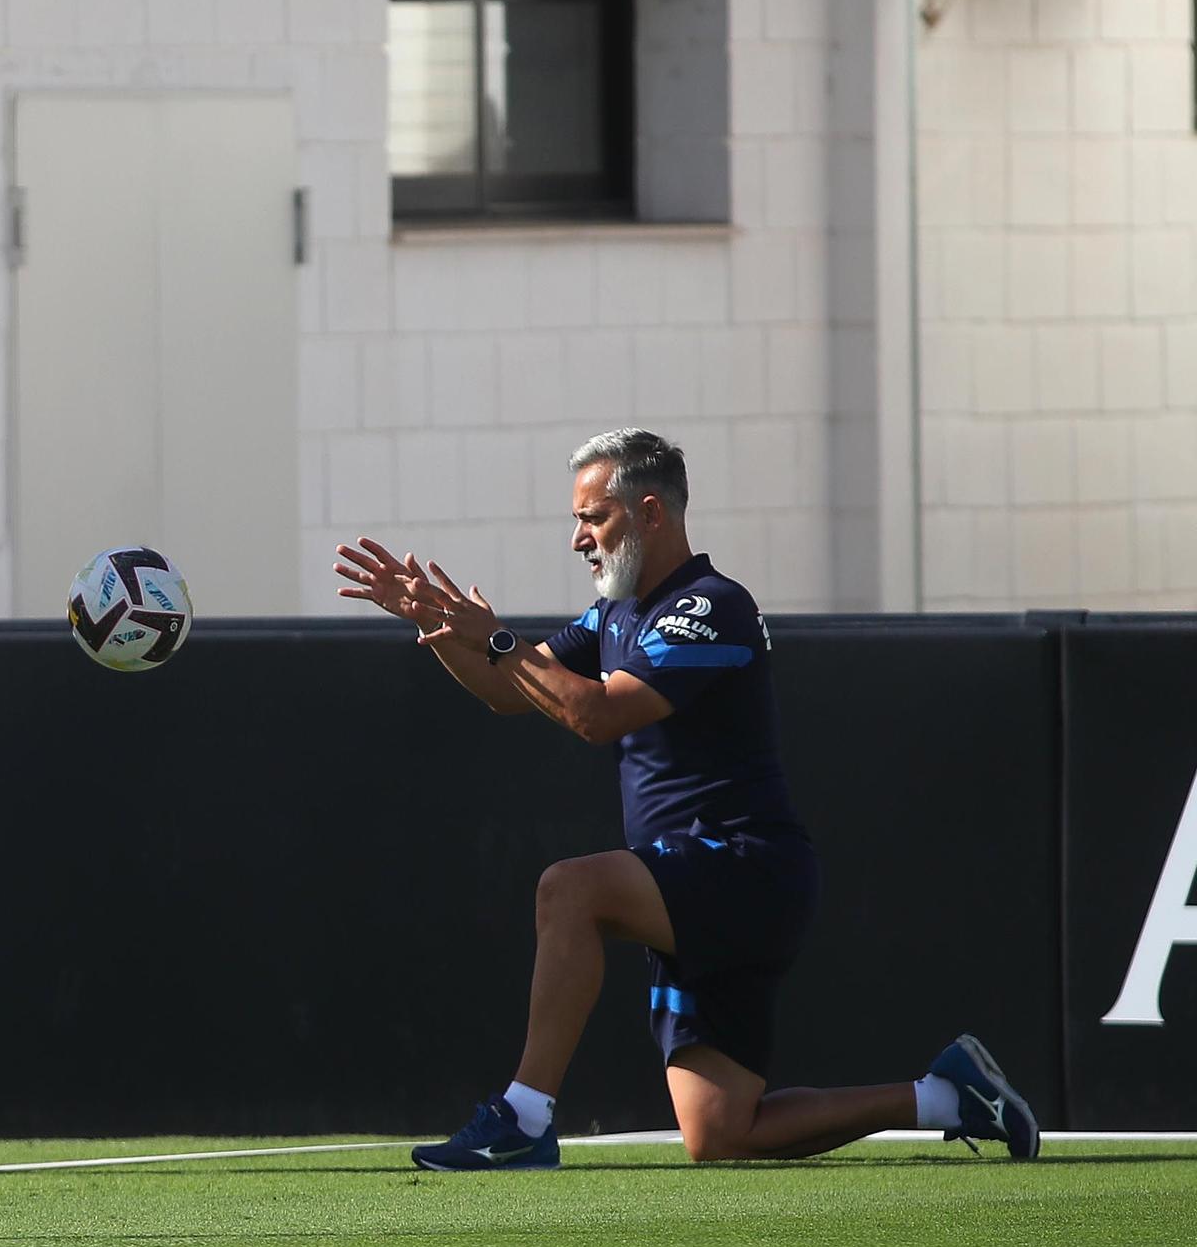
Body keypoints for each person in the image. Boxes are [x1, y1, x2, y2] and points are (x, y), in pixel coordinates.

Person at [334, 428, 1038, 1170]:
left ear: (649, 513)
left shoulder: (710, 605)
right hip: (698, 885)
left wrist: (502, 639)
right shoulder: (615, 614)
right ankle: (948, 1098)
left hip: (742, 868)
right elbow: (511, 694)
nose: (578, 539)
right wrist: (438, 627)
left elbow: (595, 714)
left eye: (592, 517)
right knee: (722, 1133)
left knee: (568, 890)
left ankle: (523, 1117)